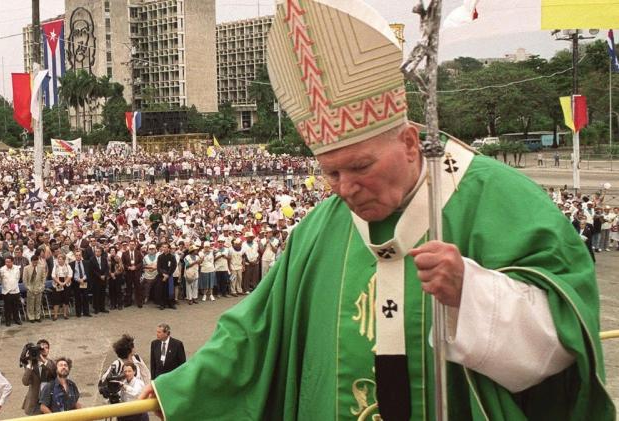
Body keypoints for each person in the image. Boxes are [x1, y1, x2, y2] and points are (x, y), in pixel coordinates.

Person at [140, 2, 613, 419]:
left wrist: (474, 294)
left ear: (409, 142)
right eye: (330, 173)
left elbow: (568, 332)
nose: (345, 189)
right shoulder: (318, 231)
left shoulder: (497, 200)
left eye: (359, 166)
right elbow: (254, 332)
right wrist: (176, 396)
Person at [22, 339, 57, 415]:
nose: (44, 349)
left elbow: (55, 374)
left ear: (49, 350)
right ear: (37, 349)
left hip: (48, 402)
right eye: (41, 348)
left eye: (46, 347)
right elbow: (25, 382)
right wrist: (30, 364)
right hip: (34, 403)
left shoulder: (52, 363)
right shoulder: (30, 364)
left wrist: (43, 361)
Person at [22, 254, 47, 323]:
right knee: (30, 303)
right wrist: (28, 288)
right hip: (30, 288)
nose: (35, 263)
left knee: (38, 303)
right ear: (31, 261)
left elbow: (43, 278)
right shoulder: (26, 268)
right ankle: (31, 317)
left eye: (36, 262)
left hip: (39, 287)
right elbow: (24, 280)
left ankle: (37, 316)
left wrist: (41, 287)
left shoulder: (41, 267)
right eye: (34, 262)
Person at [0, 256, 22, 326]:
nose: (7, 263)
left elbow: (18, 278)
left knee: (16, 307)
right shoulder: (2, 269)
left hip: (15, 291)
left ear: (12, 262)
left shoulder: (16, 268)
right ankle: (8, 321)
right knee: (7, 308)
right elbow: (0, 280)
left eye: (9, 262)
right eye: (6, 262)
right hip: (6, 291)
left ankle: (17, 319)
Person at [51, 254, 73, 320]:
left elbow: (70, 275)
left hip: (66, 283)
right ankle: (55, 315)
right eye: (58, 259)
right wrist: (59, 282)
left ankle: (65, 314)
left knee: (65, 300)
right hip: (57, 282)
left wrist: (64, 283)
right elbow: (53, 276)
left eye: (61, 259)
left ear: (64, 260)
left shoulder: (68, 266)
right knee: (56, 300)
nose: (59, 260)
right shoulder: (55, 266)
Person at [156, 243, 177, 310]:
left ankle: (171, 304)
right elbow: (158, 267)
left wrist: (168, 274)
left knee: (170, 290)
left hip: (169, 276)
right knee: (162, 290)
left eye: (166, 247)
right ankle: (162, 304)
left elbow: (173, 266)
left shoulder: (172, 257)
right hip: (161, 276)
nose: (164, 248)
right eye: (163, 247)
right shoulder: (160, 257)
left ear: (168, 248)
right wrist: (163, 274)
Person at [70, 250, 91, 317]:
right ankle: (78, 313)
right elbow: (72, 274)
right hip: (76, 283)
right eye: (77, 255)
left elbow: (87, 272)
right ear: (75, 256)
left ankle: (86, 312)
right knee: (77, 298)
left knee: (85, 297)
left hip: (84, 282)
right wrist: (78, 279)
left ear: (81, 255)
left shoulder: (86, 263)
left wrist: (83, 279)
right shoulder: (71, 264)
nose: (78, 256)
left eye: (79, 255)